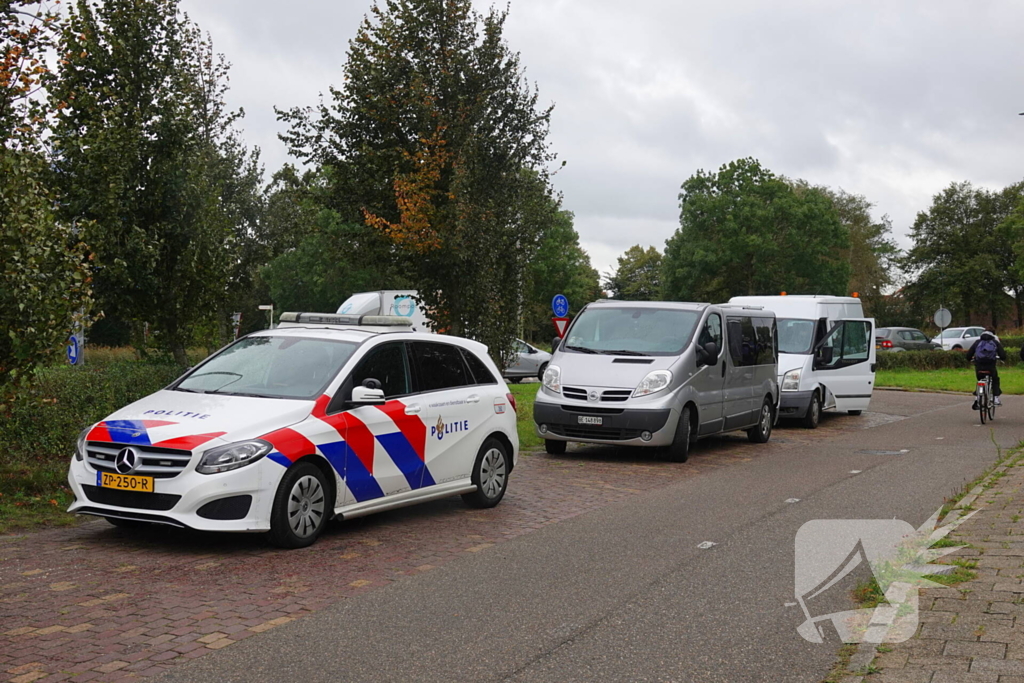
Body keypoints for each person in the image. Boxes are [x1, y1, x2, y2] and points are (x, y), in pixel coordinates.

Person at [966, 329, 1007, 407]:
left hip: (979, 367)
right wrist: (1001, 358)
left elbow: (968, 355)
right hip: (990, 367)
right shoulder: (995, 342)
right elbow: (1003, 355)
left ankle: (977, 398)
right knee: (995, 380)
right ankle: (995, 399)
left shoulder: (977, 342)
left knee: (980, 380)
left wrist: (970, 359)